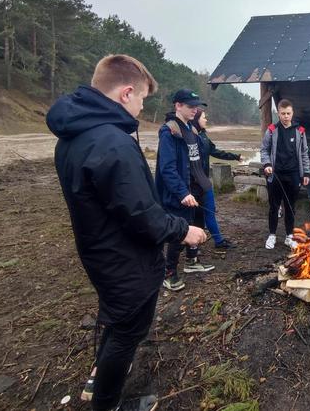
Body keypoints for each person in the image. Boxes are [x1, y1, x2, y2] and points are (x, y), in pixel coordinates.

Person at [46, 55, 206, 411]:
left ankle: (98, 381)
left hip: (100, 251)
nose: (141, 107)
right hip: (125, 260)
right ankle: (107, 403)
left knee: (117, 323)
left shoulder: (74, 136)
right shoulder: (111, 143)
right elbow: (142, 215)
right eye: (142, 99)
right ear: (126, 93)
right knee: (128, 332)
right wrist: (185, 231)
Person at [155, 89, 217, 292]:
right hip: (180, 194)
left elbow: (196, 162)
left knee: (197, 226)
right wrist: (182, 193)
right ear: (178, 106)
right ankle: (169, 273)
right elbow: (167, 169)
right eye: (190, 106)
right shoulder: (170, 131)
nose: (195, 109)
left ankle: (192, 261)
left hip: (196, 190)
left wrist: (202, 187)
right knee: (180, 232)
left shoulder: (192, 129)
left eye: (196, 106)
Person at [260, 99, 310, 249]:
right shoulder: (271, 130)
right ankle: (272, 235)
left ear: (292, 113)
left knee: (290, 206)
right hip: (275, 175)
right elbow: (264, 150)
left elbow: (304, 153)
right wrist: (267, 164)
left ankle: (289, 236)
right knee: (274, 207)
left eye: (288, 113)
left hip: (293, 175)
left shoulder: (300, 131)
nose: (286, 116)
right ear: (278, 113)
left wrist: (306, 172)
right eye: (283, 113)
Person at [191, 109, 241, 248]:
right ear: (196, 119)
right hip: (193, 185)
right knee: (196, 216)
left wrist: (235, 156)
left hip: (204, 182)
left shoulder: (204, 136)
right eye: (204, 117)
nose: (206, 120)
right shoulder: (189, 137)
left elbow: (215, 151)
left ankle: (218, 241)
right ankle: (192, 247)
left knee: (210, 211)